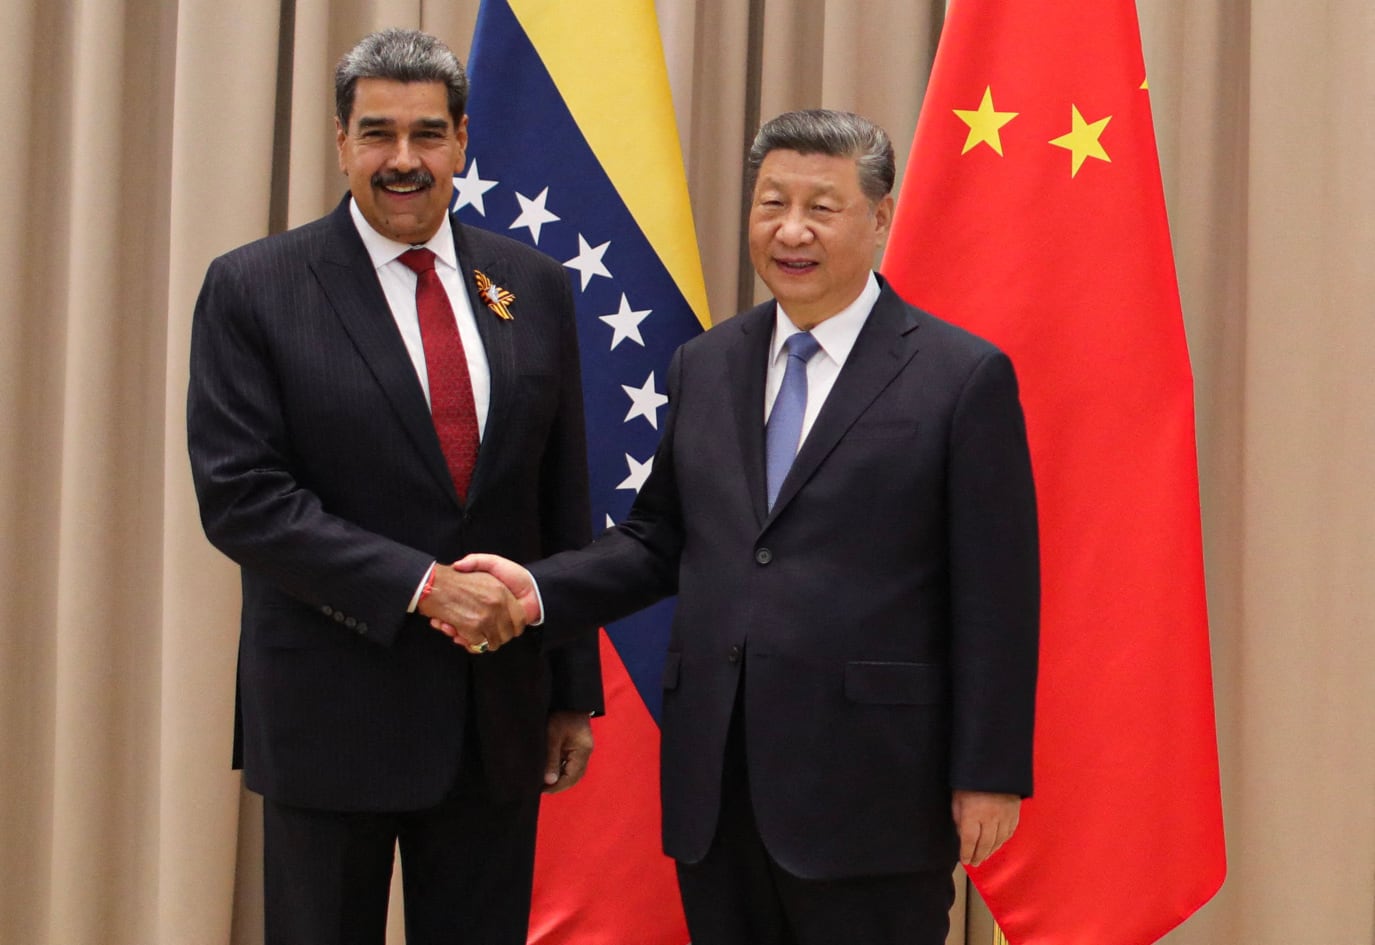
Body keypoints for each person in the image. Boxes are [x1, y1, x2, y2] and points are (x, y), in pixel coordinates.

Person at [451, 109, 1040, 945]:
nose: (790, 230)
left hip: (873, 792)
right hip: (715, 782)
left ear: (878, 218)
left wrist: (988, 772)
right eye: (770, 203)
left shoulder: (959, 375)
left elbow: (997, 595)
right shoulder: (708, 361)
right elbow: (657, 539)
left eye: (821, 207)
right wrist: (538, 587)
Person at [186, 28, 601, 945]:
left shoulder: (529, 284)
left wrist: (570, 684)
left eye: (426, 134)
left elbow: (558, 495)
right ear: (340, 143)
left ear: (461, 141)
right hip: (331, 715)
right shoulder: (254, 288)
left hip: (494, 720)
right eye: (377, 134)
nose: (402, 160)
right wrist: (424, 585)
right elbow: (244, 497)